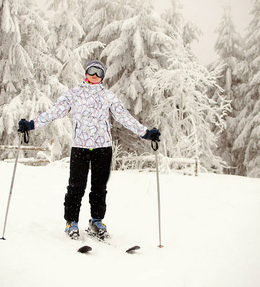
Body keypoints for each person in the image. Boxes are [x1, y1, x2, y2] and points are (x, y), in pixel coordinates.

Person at [18, 60, 160, 240]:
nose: (94, 75)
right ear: (85, 73)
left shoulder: (108, 97)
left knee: (99, 187)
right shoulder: (73, 94)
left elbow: (124, 117)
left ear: (102, 77)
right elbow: (55, 112)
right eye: (91, 71)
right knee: (76, 186)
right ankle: (72, 222)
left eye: (99, 73)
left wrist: (146, 133)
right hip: (80, 147)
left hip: (103, 147)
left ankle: (96, 221)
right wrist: (32, 124)